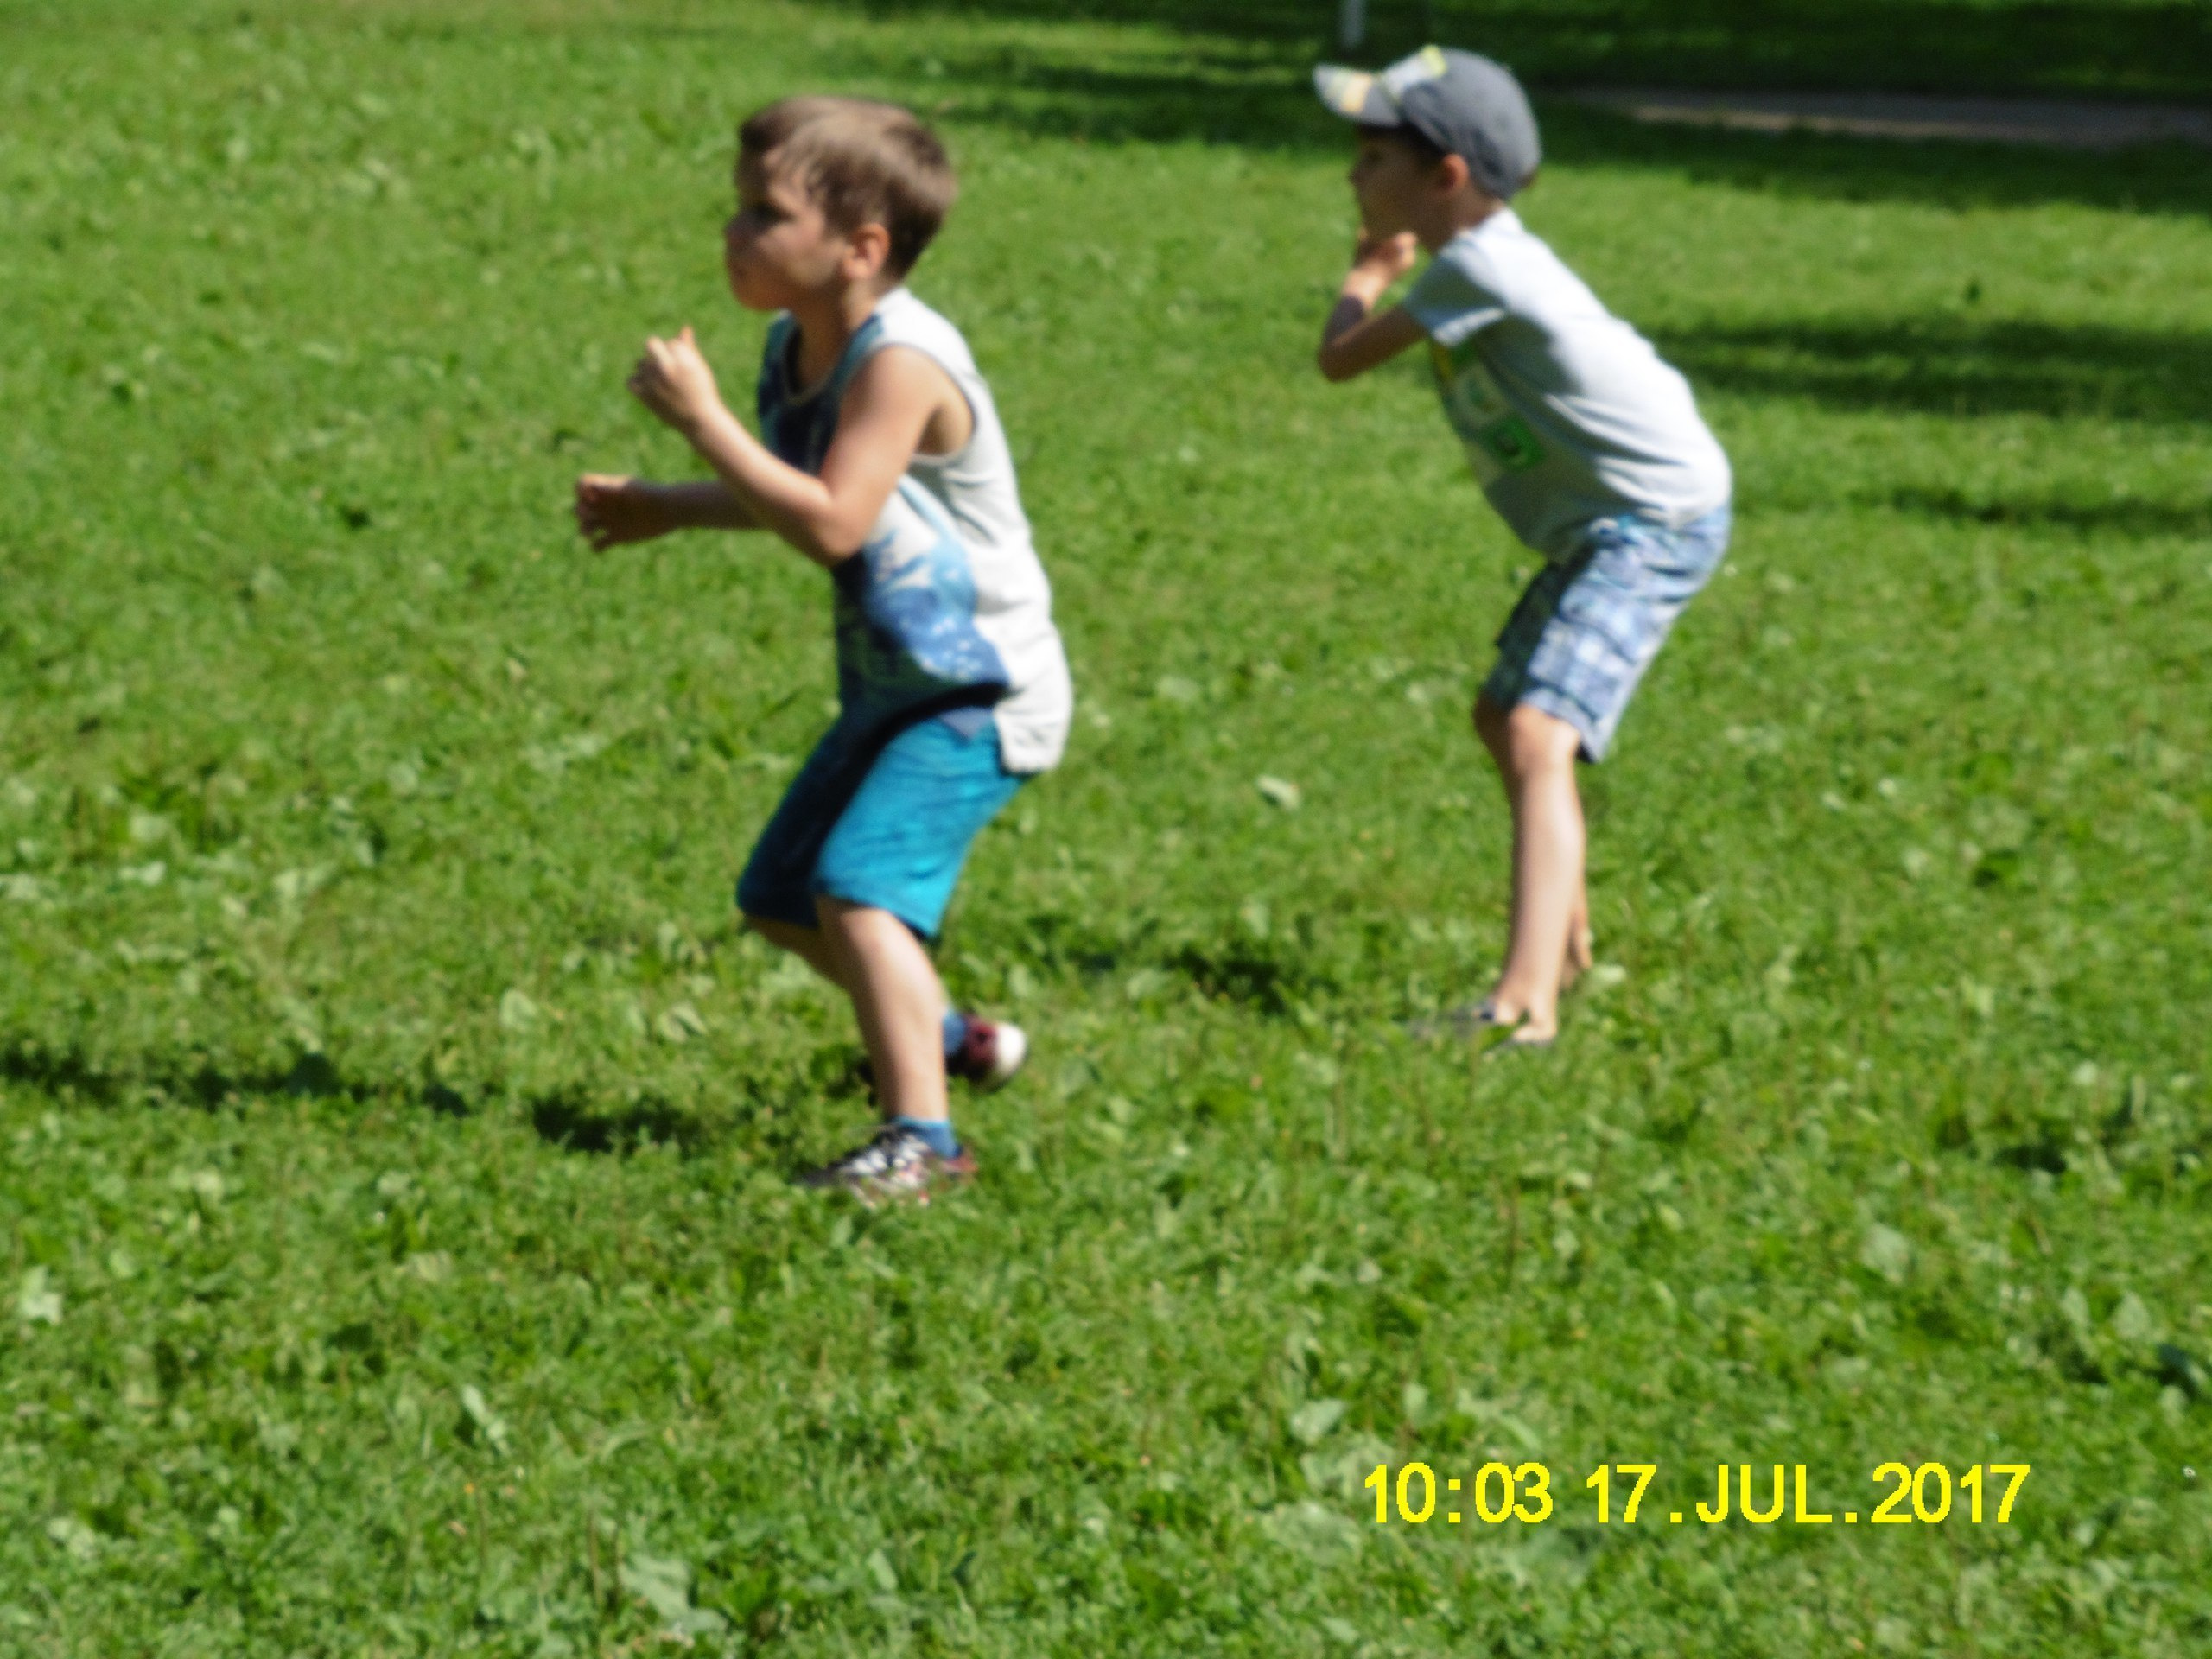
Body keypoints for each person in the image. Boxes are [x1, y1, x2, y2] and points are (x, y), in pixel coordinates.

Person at [575, 96, 1071, 1198]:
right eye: (737, 207)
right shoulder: (794, 349)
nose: (734, 232)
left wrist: (704, 425)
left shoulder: (901, 361)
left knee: (859, 891)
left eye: (765, 213)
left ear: (862, 249)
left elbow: (838, 521)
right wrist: (670, 503)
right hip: (903, 685)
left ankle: (923, 1145)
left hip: (983, 688)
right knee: (781, 896)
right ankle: (948, 1040)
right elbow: (803, 499)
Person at [1313, 47, 1733, 1050]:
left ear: (1444, 177)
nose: (1352, 177)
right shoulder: (1485, 257)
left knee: (1539, 733)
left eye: (1373, 157)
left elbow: (1338, 359)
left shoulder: (1479, 268)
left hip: (1654, 519)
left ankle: (1521, 1008)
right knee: (1503, 713)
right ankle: (1566, 946)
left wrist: (1364, 276)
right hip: (1616, 520)